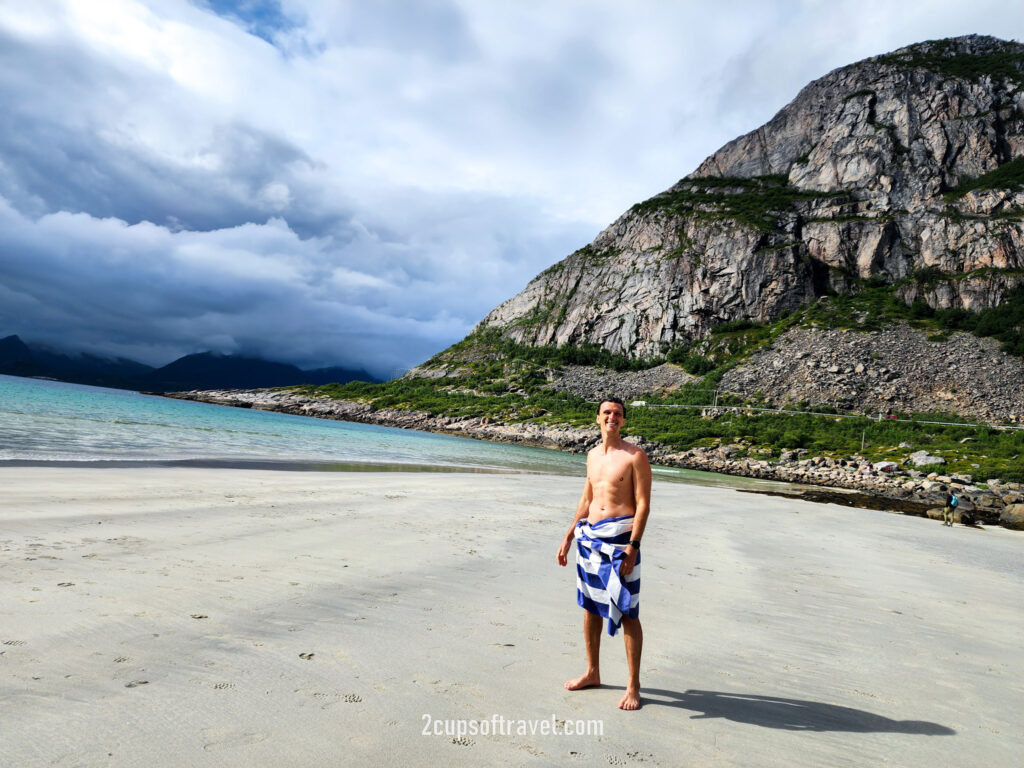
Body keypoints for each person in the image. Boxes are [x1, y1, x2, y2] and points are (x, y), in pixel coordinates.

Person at [556, 397, 652, 710]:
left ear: (623, 421)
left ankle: (633, 685)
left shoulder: (635, 456)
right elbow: (587, 498)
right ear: (597, 417)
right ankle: (592, 672)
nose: (612, 417)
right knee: (590, 607)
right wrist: (570, 533)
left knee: (628, 613)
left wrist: (633, 547)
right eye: (607, 412)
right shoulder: (592, 455)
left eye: (618, 414)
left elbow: (643, 505)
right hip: (590, 539)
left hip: (621, 542)